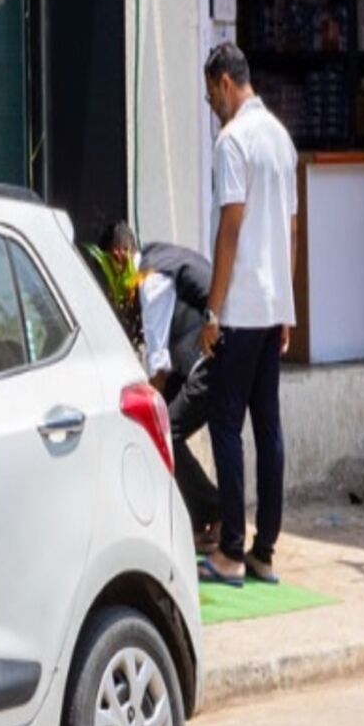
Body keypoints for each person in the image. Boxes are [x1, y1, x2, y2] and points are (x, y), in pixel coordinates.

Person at [199, 39, 298, 586]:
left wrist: (212, 311)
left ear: (224, 82)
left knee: (225, 422)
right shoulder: (281, 139)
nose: (211, 104)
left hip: (240, 307)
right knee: (269, 426)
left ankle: (232, 551)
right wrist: (288, 306)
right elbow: (291, 229)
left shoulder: (231, 141)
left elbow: (230, 226)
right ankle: (265, 550)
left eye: (211, 92)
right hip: (273, 304)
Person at [104, 220, 222, 525]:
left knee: (164, 435)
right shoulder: (161, 258)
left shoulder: (150, 278)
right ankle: (205, 516)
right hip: (220, 353)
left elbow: (160, 368)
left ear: (118, 256)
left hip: (213, 358)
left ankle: (214, 512)